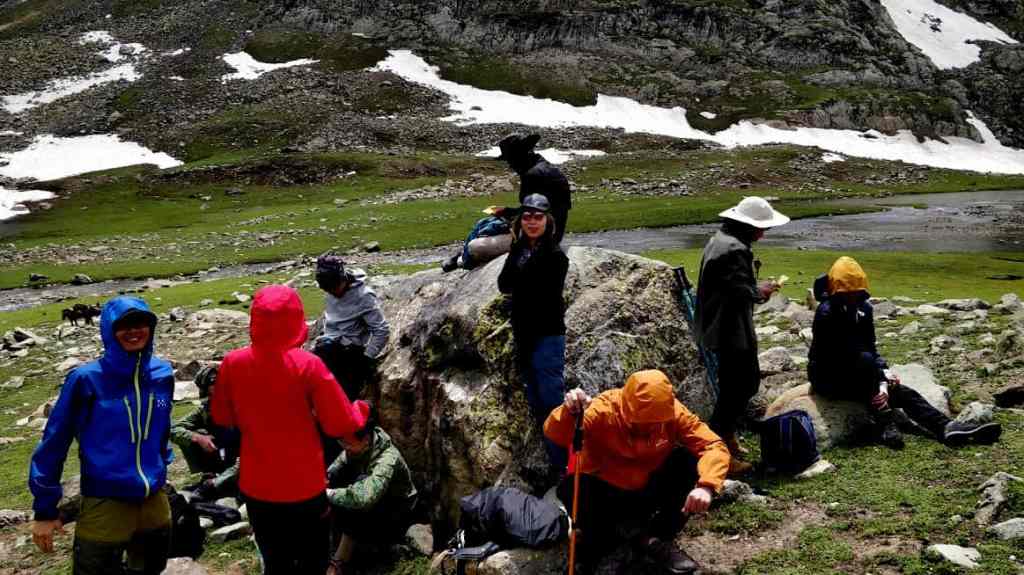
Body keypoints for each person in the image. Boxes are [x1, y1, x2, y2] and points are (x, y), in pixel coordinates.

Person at [211, 284, 365, 575]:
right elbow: (340, 423)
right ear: (296, 319)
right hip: (305, 486)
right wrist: (361, 409)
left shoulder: (233, 363)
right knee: (313, 562)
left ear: (255, 319)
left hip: (257, 485)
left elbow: (222, 416)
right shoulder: (309, 365)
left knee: (275, 561)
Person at [29, 297, 175, 575]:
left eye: (141, 323)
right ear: (109, 330)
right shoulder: (86, 379)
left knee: (151, 568)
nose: (134, 331)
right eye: (124, 326)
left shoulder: (162, 374)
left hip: (154, 501)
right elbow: (54, 442)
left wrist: (161, 463)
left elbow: (162, 418)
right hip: (105, 502)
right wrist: (45, 510)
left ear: (151, 327)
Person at [545, 370, 730, 575]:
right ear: (625, 407)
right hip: (605, 496)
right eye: (640, 422)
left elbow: (713, 445)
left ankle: (657, 538)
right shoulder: (603, 409)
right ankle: (605, 544)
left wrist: (706, 486)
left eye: (655, 424)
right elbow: (556, 434)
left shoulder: (674, 413)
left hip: (645, 491)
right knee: (572, 486)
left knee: (688, 461)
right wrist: (569, 412)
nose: (647, 429)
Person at [808, 256, 1002, 448]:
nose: (852, 298)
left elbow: (870, 346)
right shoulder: (827, 313)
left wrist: (885, 373)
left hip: (860, 372)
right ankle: (885, 421)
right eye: (847, 294)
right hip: (829, 376)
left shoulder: (864, 309)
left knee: (904, 393)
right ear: (835, 291)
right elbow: (847, 354)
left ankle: (945, 427)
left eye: (856, 293)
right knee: (878, 379)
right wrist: (881, 382)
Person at [695, 196, 789, 475]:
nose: (763, 234)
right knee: (740, 386)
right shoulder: (734, 250)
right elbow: (739, 291)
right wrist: (762, 291)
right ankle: (717, 447)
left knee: (735, 385)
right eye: (761, 228)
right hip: (729, 328)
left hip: (721, 325)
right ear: (747, 226)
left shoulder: (721, 240)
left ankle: (726, 436)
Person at [498, 193, 570, 472]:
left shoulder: (555, 256)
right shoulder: (518, 250)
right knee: (536, 401)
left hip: (546, 336)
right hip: (524, 335)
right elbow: (504, 284)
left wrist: (521, 283)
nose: (532, 222)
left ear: (547, 221)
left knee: (552, 402)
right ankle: (556, 463)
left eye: (538, 217)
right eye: (527, 216)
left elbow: (542, 297)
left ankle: (567, 467)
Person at [325, 400, 418, 575]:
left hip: (396, 511)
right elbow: (334, 471)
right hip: (375, 499)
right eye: (342, 443)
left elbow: (364, 497)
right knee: (337, 479)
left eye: (348, 444)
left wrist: (327, 494)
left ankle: (340, 560)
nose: (345, 448)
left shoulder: (387, 459)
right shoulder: (357, 446)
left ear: (366, 439)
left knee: (358, 490)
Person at [312, 252, 390, 401]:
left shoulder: (363, 296)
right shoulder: (330, 290)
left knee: (342, 395)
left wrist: (367, 357)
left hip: (351, 350)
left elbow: (381, 330)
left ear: (342, 278)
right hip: (328, 345)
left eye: (334, 288)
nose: (332, 292)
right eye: (328, 290)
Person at [169, 364, 240, 501]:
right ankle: (210, 475)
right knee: (196, 433)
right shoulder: (206, 409)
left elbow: (253, 456)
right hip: (225, 459)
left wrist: (217, 482)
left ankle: (218, 484)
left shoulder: (245, 407)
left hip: (249, 465)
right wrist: (198, 437)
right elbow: (173, 429)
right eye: (213, 383)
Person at [497, 133, 572, 244]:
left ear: (520, 156)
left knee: (476, 245)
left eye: (511, 160)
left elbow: (532, 213)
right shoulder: (546, 167)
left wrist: (506, 212)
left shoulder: (532, 175)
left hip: (541, 239)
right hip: (553, 234)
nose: (511, 165)